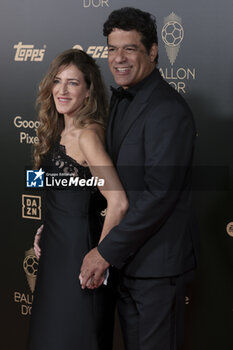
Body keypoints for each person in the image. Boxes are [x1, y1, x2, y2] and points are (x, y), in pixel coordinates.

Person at [80, 7, 200, 350]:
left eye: (129, 49)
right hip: (127, 265)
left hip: (157, 269)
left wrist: (104, 252)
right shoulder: (119, 100)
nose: (118, 59)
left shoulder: (168, 110)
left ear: (152, 51)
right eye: (112, 49)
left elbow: (159, 195)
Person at [28, 48, 128, 350]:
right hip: (54, 252)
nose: (62, 90)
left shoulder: (87, 135)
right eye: (57, 81)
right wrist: (47, 227)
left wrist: (101, 254)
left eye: (73, 83)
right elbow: (67, 190)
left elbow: (118, 201)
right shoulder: (58, 129)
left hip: (78, 256)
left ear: (88, 91)